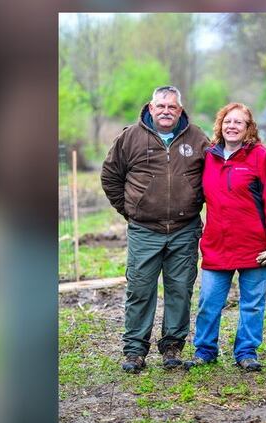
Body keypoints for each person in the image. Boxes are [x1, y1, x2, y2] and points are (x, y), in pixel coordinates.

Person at [100, 86, 210, 373]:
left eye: (172, 107)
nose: (166, 111)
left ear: (180, 110)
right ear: (151, 107)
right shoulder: (130, 138)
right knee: (140, 289)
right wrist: (130, 209)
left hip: (185, 229)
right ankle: (135, 350)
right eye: (161, 106)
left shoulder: (197, 138)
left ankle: (172, 347)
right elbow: (110, 176)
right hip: (144, 230)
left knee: (180, 290)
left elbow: (212, 178)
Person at [185, 102, 266, 372]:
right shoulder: (208, 156)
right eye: (227, 122)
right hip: (217, 244)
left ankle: (246, 352)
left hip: (255, 247)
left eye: (239, 123)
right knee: (209, 302)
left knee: (252, 304)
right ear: (220, 126)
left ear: (248, 129)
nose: (232, 126)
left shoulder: (260, 157)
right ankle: (205, 350)